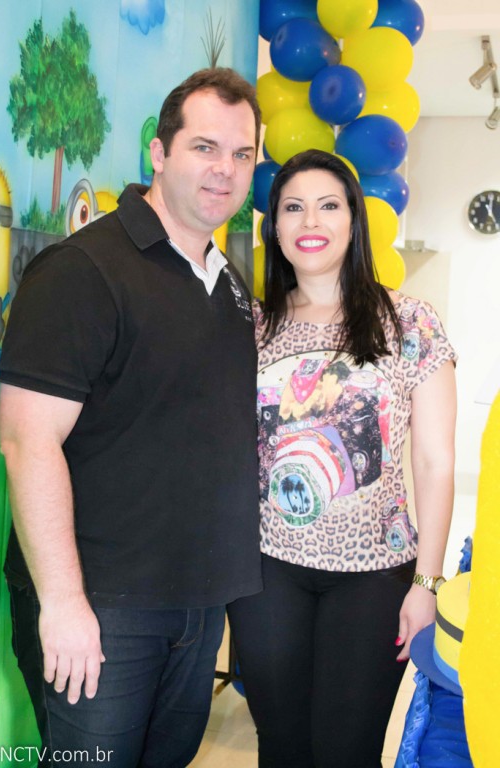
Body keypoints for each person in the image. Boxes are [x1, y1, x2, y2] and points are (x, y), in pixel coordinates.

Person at [0, 67, 262, 768]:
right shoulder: (82, 270)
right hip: (101, 607)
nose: (225, 169)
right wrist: (63, 604)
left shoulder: (228, 284)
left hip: (197, 606)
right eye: (205, 147)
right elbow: (27, 440)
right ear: (159, 152)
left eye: (242, 154)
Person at [227, 149, 457, 768]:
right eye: (293, 207)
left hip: (376, 576)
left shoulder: (408, 321)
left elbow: (435, 462)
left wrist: (427, 584)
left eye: (329, 206)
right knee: (281, 745)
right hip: (267, 572)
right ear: (274, 227)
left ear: (354, 221)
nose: (311, 221)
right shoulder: (252, 326)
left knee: (346, 750)